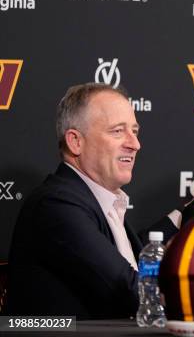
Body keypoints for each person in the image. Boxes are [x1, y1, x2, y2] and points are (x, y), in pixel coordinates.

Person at [7, 83, 179, 319]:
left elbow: (128, 262)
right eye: (118, 131)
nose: (135, 144)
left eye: (135, 131)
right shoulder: (56, 204)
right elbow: (128, 287)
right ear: (75, 141)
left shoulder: (97, 201)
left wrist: (184, 214)